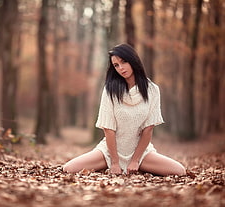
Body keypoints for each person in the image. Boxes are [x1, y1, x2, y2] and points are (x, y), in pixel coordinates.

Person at [63, 43, 186, 176]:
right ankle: (107, 164)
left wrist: (135, 160)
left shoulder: (152, 90)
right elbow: (108, 129)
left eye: (124, 62)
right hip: (109, 152)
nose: (121, 68)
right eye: (116, 65)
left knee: (179, 171)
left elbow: (148, 129)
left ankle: (138, 166)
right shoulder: (109, 90)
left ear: (133, 60)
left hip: (141, 153)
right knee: (69, 168)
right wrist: (115, 162)